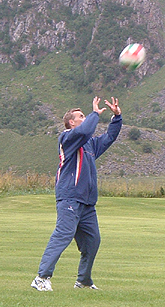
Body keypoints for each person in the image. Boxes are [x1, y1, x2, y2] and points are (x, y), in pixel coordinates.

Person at [31, 97, 122, 291]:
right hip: (70, 197)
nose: (84, 118)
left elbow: (109, 138)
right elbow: (85, 131)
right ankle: (41, 278)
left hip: (87, 203)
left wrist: (117, 117)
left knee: (92, 241)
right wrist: (95, 113)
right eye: (81, 116)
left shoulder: (89, 144)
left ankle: (83, 281)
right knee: (63, 234)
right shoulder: (67, 138)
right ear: (71, 122)